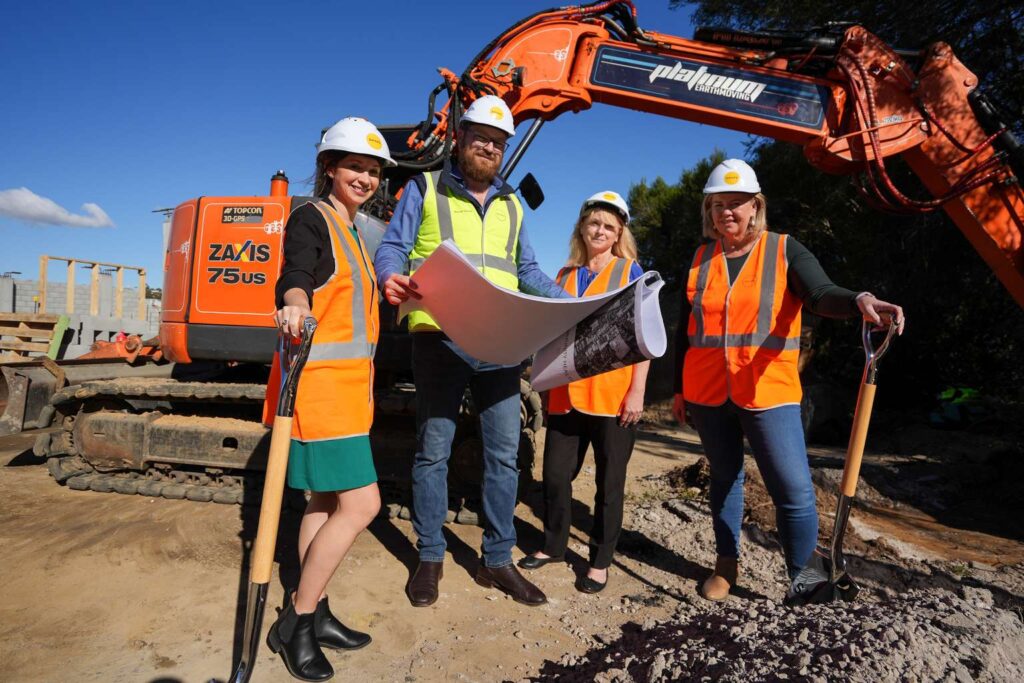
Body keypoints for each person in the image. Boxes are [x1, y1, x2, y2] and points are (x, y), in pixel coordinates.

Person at [672, 159, 905, 601]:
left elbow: (820, 294)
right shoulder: (701, 259)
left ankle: (805, 580)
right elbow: (687, 329)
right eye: (718, 204)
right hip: (706, 391)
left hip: (769, 392)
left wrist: (857, 300)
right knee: (724, 478)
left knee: (794, 491)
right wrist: (679, 389)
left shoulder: (784, 249)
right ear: (709, 211)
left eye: (736, 203)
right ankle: (726, 567)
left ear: (755, 206)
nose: (726, 211)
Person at [374, 94, 569, 608]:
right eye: (481, 136)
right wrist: (389, 275)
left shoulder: (512, 204)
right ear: (460, 138)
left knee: (504, 456)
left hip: (499, 345)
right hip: (439, 339)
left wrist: (570, 303)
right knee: (433, 451)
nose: (489, 147)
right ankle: (430, 556)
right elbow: (392, 247)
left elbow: (527, 272)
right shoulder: (426, 187)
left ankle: (497, 561)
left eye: (498, 142)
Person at [262, 117, 396, 681]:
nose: (365, 178)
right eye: (354, 167)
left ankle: (315, 612)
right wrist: (294, 303)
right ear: (329, 168)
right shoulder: (312, 218)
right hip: (320, 389)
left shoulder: (355, 231)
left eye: (373, 171)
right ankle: (295, 622)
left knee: (323, 502)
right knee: (363, 506)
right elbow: (295, 273)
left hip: (348, 391)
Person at [518, 191, 650, 594]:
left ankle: (599, 562)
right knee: (555, 477)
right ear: (582, 227)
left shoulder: (632, 273)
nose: (600, 231)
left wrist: (637, 392)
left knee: (610, 484)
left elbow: (645, 338)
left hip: (613, 398)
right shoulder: (564, 275)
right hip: (566, 396)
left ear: (619, 234)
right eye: (594, 223)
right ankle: (553, 546)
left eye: (609, 226)